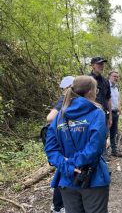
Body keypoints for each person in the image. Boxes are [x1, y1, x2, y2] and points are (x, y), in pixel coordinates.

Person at [45, 75, 110, 213]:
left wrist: (67, 165)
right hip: (94, 178)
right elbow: (95, 147)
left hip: (67, 179)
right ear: (91, 93)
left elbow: (50, 148)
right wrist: (76, 163)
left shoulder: (59, 116)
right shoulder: (97, 113)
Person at [46, 76, 75, 213]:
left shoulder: (70, 99)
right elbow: (50, 117)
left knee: (65, 169)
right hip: (62, 139)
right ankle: (58, 206)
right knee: (63, 170)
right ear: (69, 88)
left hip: (66, 138)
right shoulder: (64, 99)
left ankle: (60, 205)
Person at [87, 56, 112, 162]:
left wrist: (110, 116)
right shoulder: (87, 80)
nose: (102, 66)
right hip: (90, 115)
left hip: (104, 114)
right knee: (92, 137)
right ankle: (92, 158)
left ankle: (102, 158)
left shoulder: (106, 81)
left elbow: (109, 99)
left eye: (103, 64)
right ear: (93, 65)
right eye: (99, 64)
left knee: (104, 135)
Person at [108, 71, 122, 157]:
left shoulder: (116, 87)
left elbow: (118, 99)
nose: (116, 78)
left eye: (117, 77)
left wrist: (119, 110)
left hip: (115, 112)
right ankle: (104, 152)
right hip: (107, 113)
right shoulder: (106, 87)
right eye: (114, 76)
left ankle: (114, 150)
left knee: (114, 132)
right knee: (105, 133)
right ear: (109, 76)